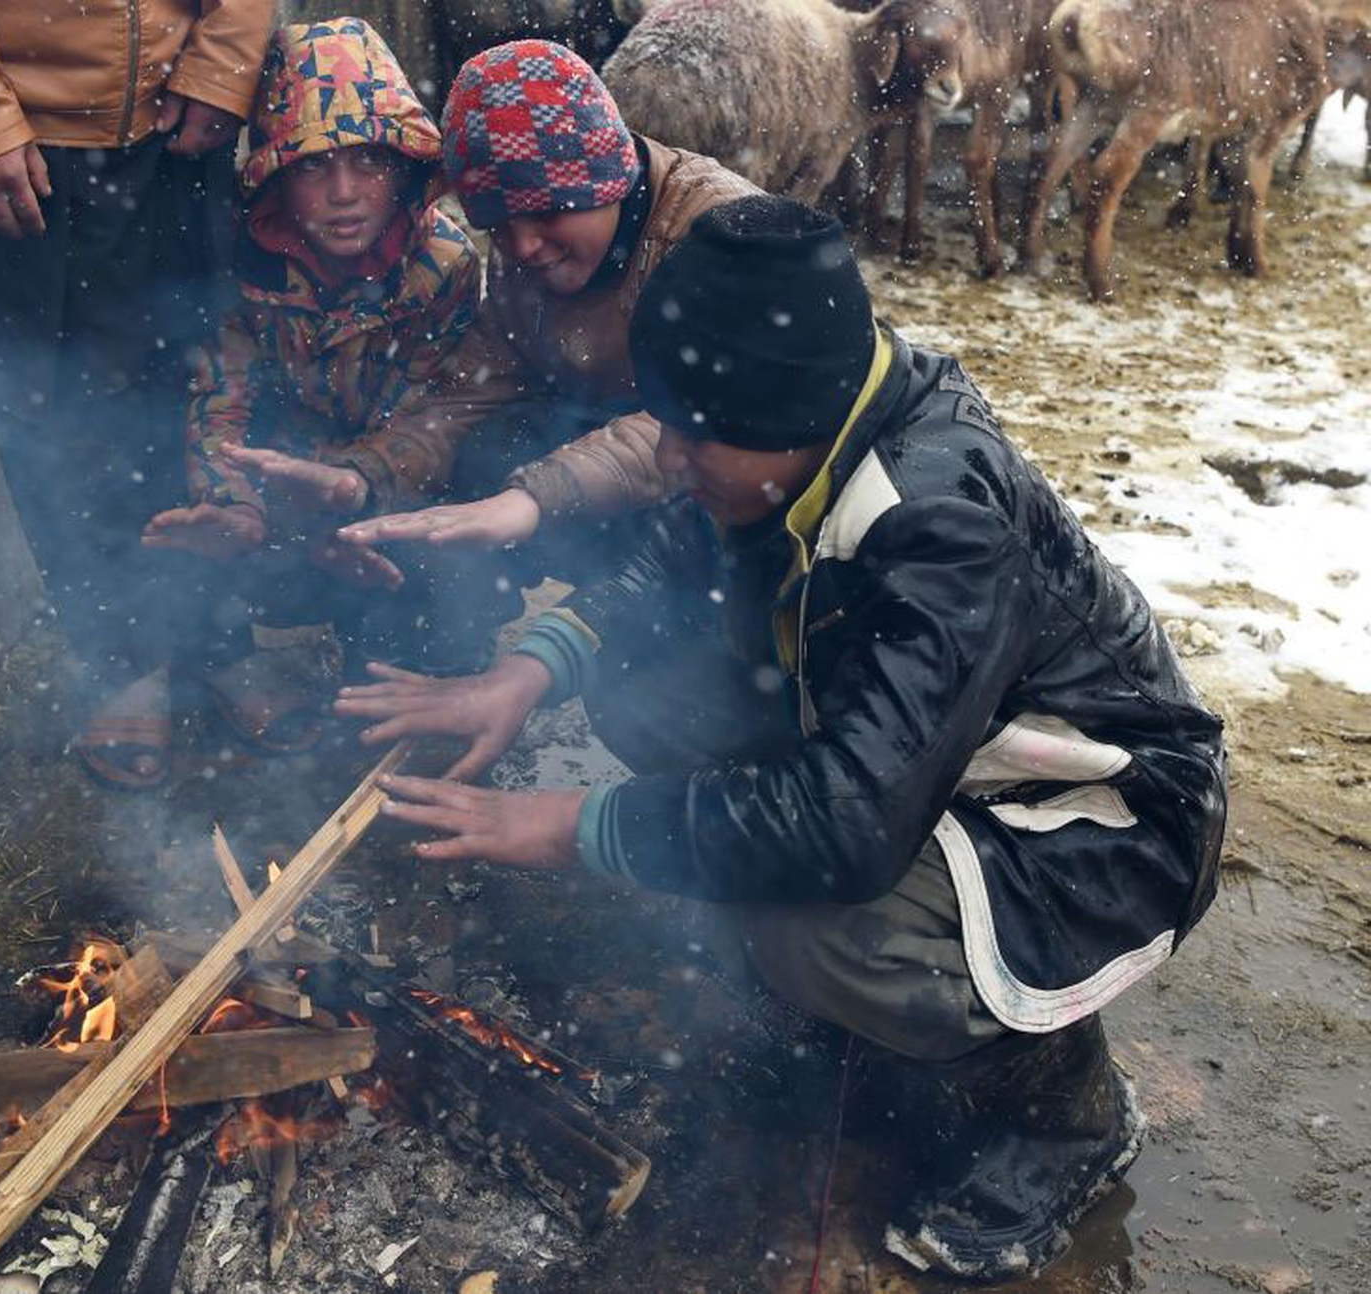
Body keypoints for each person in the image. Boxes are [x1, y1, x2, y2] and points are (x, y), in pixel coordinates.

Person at [336, 196, 1228, 1283]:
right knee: (644, 697)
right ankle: (866, 995)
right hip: (922, 759)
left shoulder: (938, 520)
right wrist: (526, 673)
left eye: (695, 431)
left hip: (1105, 817)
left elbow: (848, 828)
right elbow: (667, 564)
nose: (671, 455)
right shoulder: (803, 427)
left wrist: (571, 824)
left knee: (815, 924)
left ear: (789, 413)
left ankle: (1067, 1111)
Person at [76, 17, 486, 787]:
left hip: (379, 494)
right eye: (312, 166)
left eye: (369, 161)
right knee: (176, 515)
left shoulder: (444, 264)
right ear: (273, 178)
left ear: (405, 166)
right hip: (275, 492)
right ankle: (191, 659)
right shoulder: (243, 264)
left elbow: (433, 417)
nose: (343, 193)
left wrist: (355, 499)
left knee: (449, 584)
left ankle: (403, 658)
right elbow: (219, 399)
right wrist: (234, 505)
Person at [0, 0, 275, 712]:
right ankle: (121, 665)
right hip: (31, 133)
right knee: (61, 411)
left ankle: (218, 640)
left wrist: (225, 60)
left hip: (180, 109)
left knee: (202, 375)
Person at [319, 38, 760, 580]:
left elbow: (708, 421)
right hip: (600, 451)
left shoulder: (720, 234)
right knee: (487, 450)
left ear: (609, 179)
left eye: (545, 211)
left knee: (694, 501)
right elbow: (467, 396)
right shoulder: (529, 259)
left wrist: (531, 500)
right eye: (498, 225)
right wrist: (368, 476)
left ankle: (629, 620)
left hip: (721, 491)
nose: (523, 247)